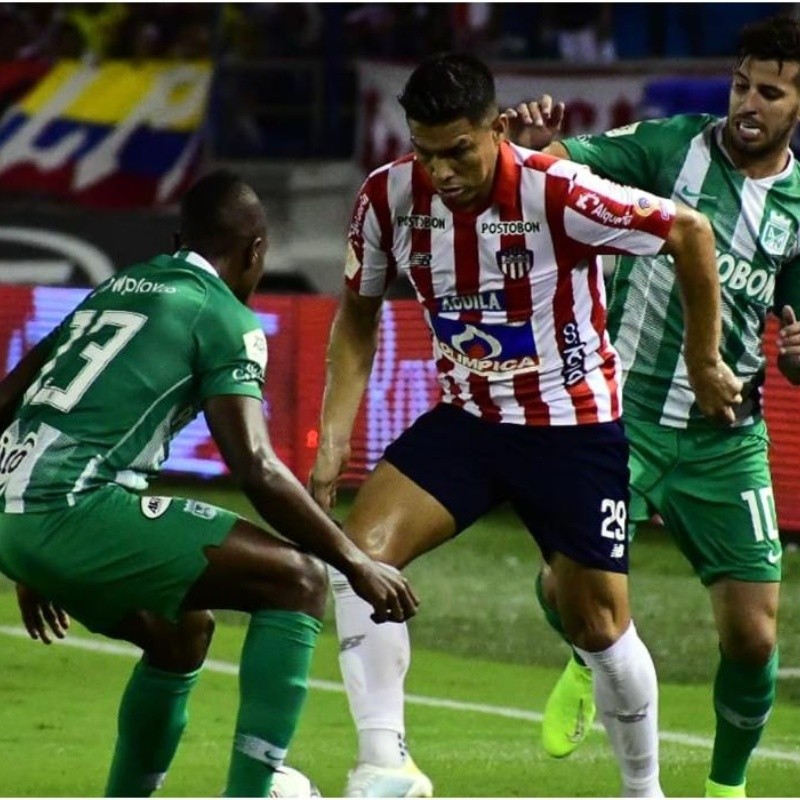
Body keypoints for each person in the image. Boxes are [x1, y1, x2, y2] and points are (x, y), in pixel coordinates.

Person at [309, 52, 742, 798]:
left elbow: (690, 232)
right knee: (360, 558)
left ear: (495, 129)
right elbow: (356, 313)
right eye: (423, 150)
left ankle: (644, 792)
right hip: (470, 420)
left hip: (571, 428)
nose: (440, 171)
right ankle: (385, 766)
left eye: (457, 151)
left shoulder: (556, 191)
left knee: (600, 630)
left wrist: (705, 362)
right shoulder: (386, 198)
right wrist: (335, 438)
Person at [0, 169, 419, 798]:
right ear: (256, 252)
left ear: (179, 238)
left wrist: (25, 541)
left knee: (180, 632)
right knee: (298, 580)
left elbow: (11, 397)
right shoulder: (224, 316)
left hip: (15, 511)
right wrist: (355, 562)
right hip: (72, 508)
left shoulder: (118, 288)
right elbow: (255, 465)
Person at [506, 13, 800, 798]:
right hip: (621, 419)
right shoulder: (669, 148)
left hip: (725, 440)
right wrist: (532, 147)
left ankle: (724, 790)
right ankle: (585, 653)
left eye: (770, 92)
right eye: (742, 84)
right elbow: (559, 167)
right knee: (556, 589)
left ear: (798, 105)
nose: (749, 103)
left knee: (753, 637)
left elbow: (798, 332)